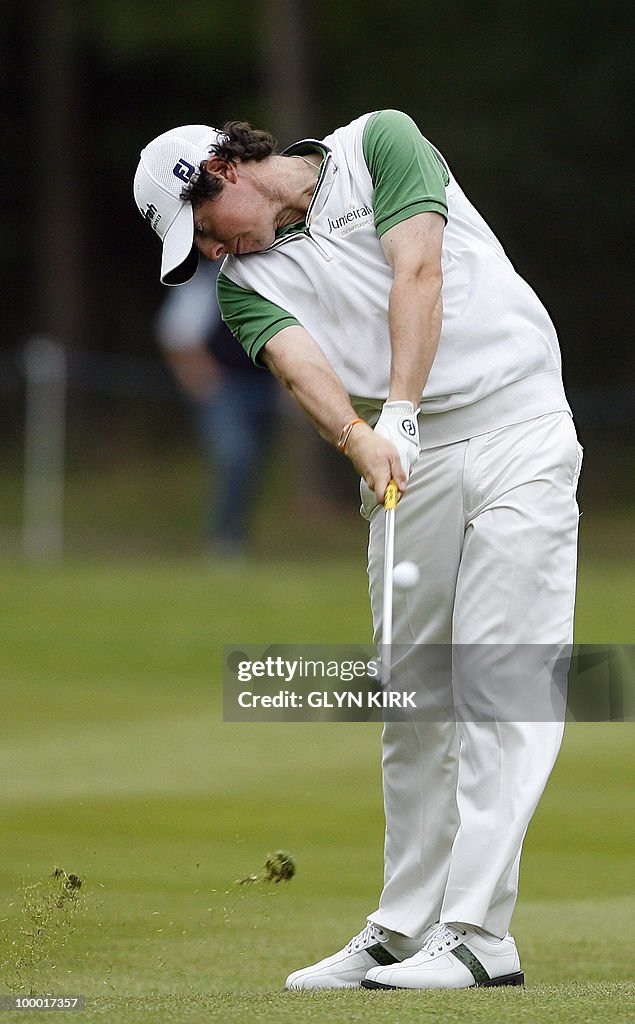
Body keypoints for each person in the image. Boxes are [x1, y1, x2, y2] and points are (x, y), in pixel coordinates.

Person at [133, 111, 583, 990]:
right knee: (410, 700)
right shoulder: (240, 285)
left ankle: (477, 934)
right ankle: (401, 925)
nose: (213, 254)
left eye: (205, 232)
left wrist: (399, 412)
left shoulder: (379, 144)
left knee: (499, 676)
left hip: (517, 425)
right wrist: (355, 435)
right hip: (399, 464)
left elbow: (416, 269)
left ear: (222, 170)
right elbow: (303, 365)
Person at [155, 259, 278, 556]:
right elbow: (176, 335)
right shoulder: (206, 281)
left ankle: (238, 535)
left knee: (254, 465)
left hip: (266, 386)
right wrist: (203, 382)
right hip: (226, 390)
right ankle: (226, 539)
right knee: (236, 458)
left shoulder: (271, 274)